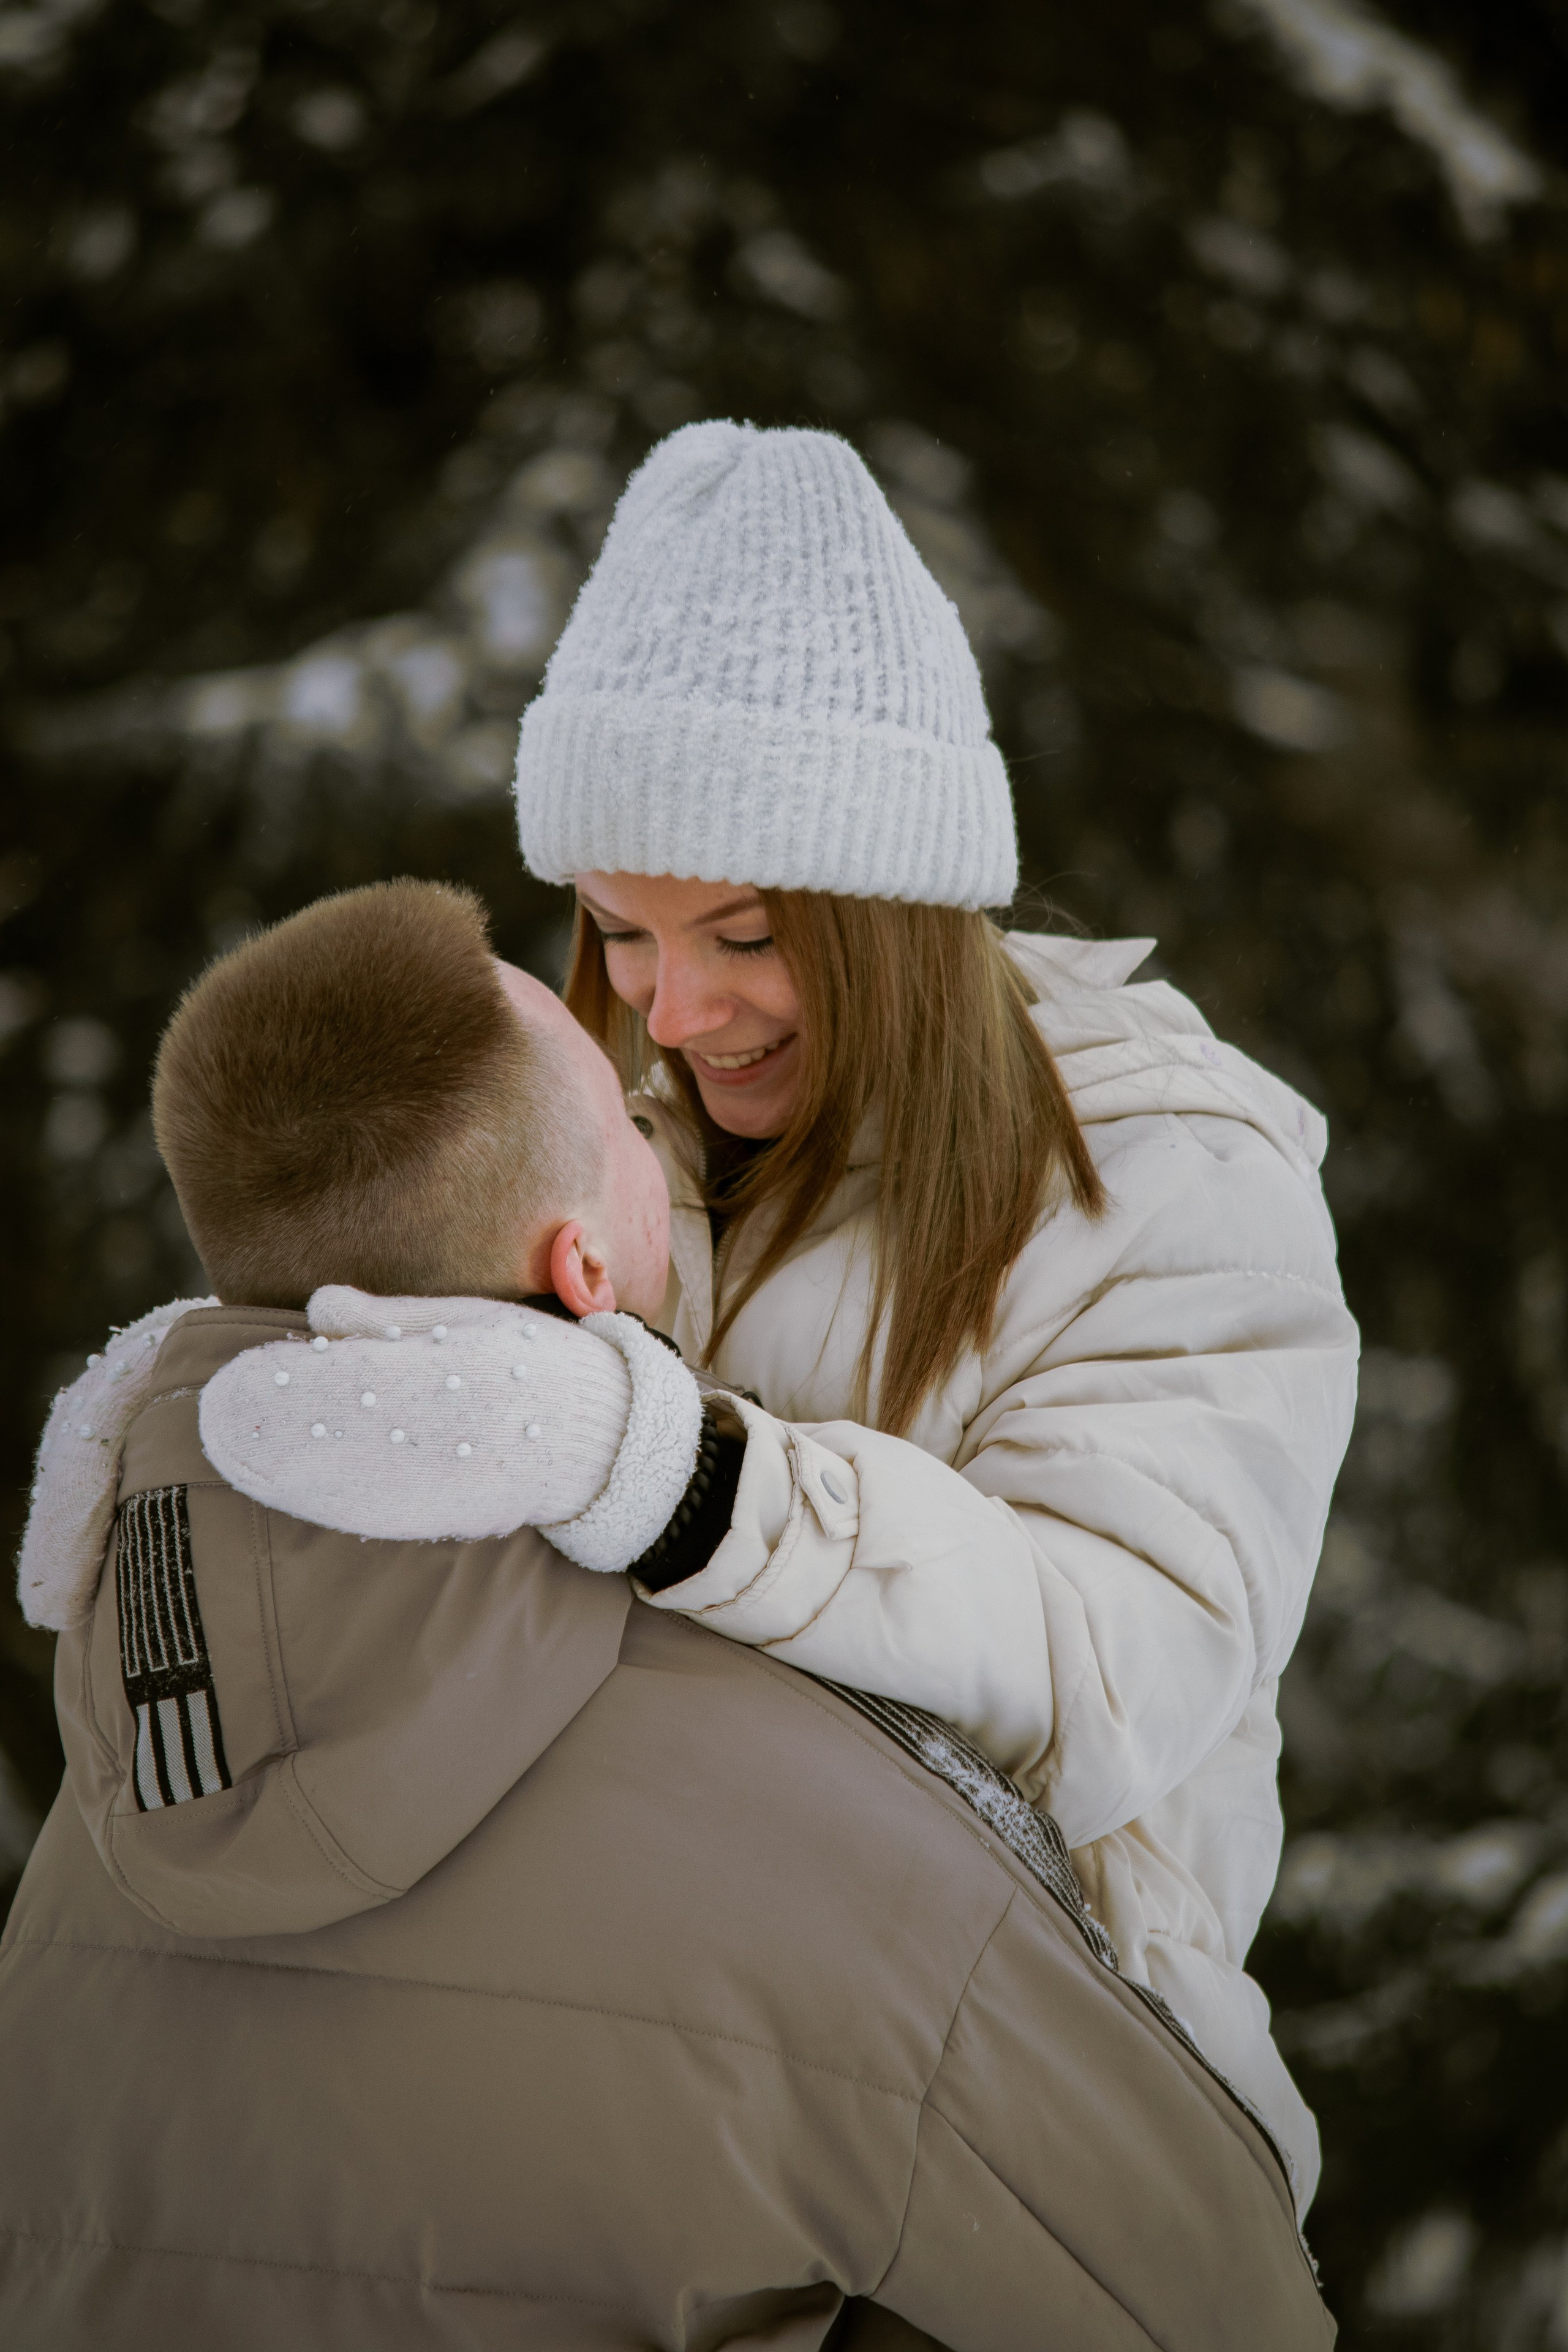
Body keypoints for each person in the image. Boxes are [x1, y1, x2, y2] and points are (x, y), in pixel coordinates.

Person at [189, 421, 1361, 2216]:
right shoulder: (606, 1140)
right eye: (623, 933)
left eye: (743, 933)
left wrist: (692, 1483)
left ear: (896, 910)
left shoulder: (1178, 1188)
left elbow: (1110, 1661)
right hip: (641, 2092)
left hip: (1040, 2117)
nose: (676, 1013)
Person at [0, 880, 1333, 2348]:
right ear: (581, 1271)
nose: (672, 1046)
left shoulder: (85, 1860)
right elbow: (1217, 2302)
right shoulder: (856, 1869)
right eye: (630, 1125)